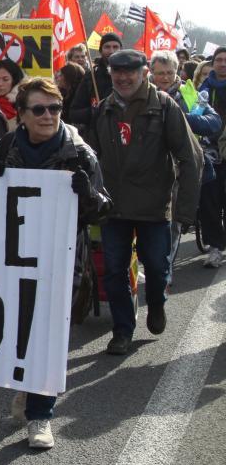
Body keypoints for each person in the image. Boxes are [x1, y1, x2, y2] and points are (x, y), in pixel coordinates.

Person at [0, 77, 111, 449]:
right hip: (13, 257)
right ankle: (27, 385)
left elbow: (103, 209)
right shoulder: (4, 148)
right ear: (21, 115)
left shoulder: (80, 153)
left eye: (54, 108)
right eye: (38, 109)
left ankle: (41, 416)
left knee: (49, 335)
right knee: (17, 332)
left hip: (61, 259)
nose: (48, 116)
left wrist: (87, 195)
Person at [91, 50, 199, 355]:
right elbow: (92, 158)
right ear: (110, 73)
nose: (123, 78)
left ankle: (156, 303)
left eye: (131, 72)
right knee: (114, 270)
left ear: (144, 73)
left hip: (154, 206)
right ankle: (122, 330)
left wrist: (186, 209)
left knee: (156, 266)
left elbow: (189, 158)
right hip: (113, 206)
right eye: (117, 72)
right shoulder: (104, 109)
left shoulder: (165, 107)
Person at [151, 50, 222, 272]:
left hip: (181, 169)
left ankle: (165, 271)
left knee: (172, 223)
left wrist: (180, 119)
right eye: (160, 73)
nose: (164, 77)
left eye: (169, 73)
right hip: (147, 169)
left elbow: (213, 122)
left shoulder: (188, 93)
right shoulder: (142, 93)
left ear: (177, 72)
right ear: (151, 73)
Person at [196, 47, 226, 267]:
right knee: (209, 201)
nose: (223, 64)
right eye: (219, 60)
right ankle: (215, 247)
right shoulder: (202, 89)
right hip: (209, 152)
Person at [66, 33, 121, 133]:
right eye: (107, 47)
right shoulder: (91, 76)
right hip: (97, 135)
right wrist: (96, 111)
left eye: (115, 47)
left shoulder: (130, 76)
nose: (112, 51)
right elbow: (74, 113)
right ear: (101, 50)